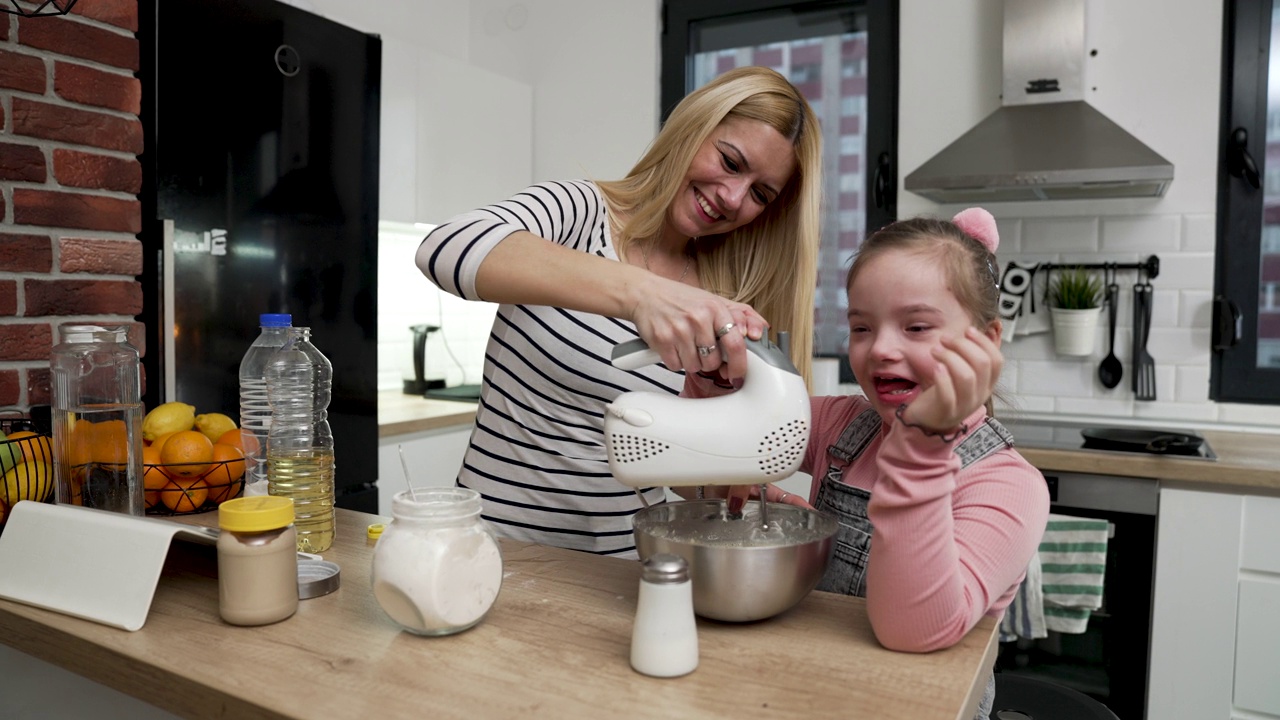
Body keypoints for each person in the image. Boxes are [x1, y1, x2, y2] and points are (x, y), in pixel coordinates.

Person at [415, 66, 823, 556]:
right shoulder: (579, 212)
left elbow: (663, 461)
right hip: (488, 554)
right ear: (692, 129)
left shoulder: (723, 303)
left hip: (622, 573)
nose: (733, 198)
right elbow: (445, 248)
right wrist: (643, 294)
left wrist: (716, 492)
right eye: (730, 161)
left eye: (760, 194)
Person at [698, 208, 1049, 719]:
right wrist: (720, 372)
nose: (881, 348)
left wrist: (920, 451)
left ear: (986, 342)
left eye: (917, 326)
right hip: (814, 695)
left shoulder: (1006, 484)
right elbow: (729, 437)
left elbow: (915, 629)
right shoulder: (846, 426)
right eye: (862, 327)